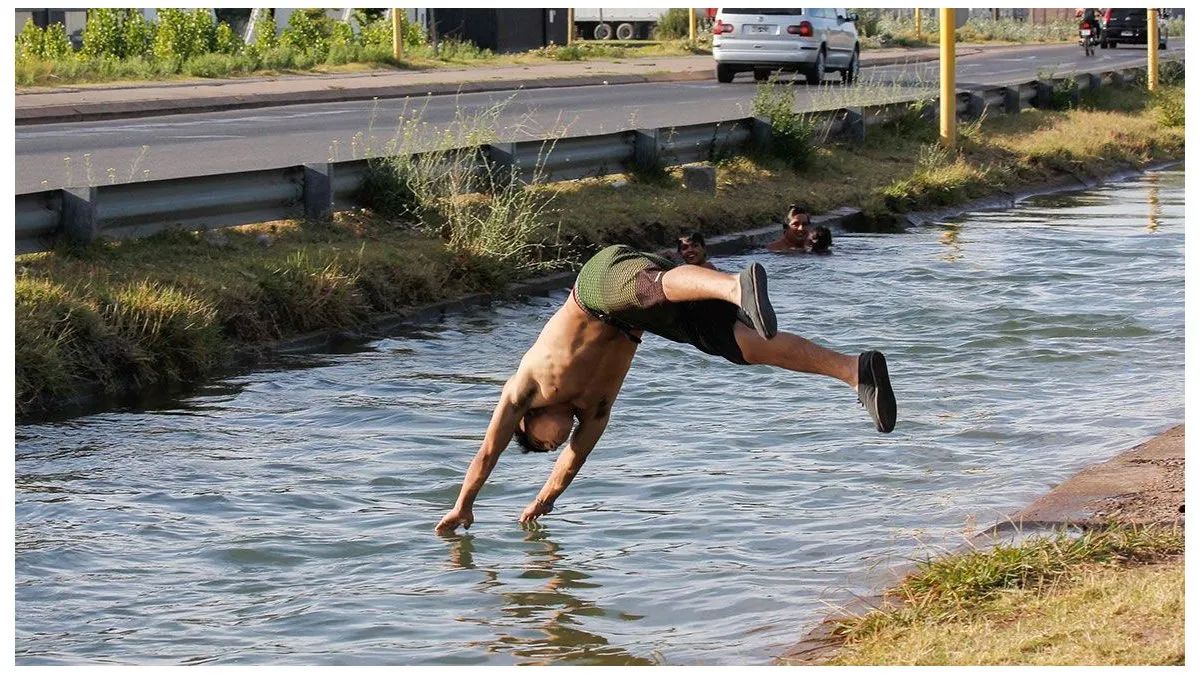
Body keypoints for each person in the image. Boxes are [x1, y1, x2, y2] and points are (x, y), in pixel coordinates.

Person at [434, 244, 897, 533]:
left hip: (598, 289)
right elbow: (574, 461)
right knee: (744, 346)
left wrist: (463, 506)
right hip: (645, 319)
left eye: (540, 441)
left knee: (647, 288)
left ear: (531, 421)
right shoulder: (594, 412)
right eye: (550, 447)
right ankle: (856, 371)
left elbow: (485, 454)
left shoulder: (523, 392)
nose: (553, 444)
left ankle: (737, 286)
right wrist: (544, 499)